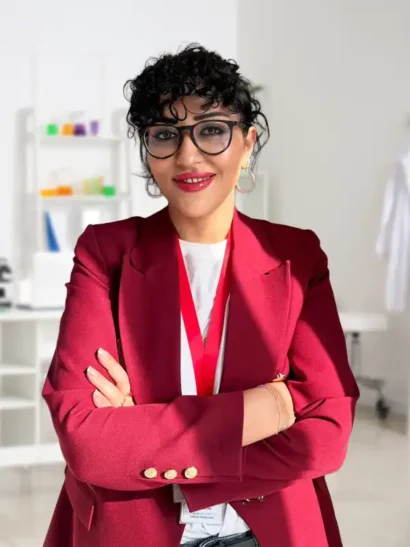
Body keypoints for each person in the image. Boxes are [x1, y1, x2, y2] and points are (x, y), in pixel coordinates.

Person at [42, 44, 359, 547]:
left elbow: (327, 433)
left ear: (247, 142)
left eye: (211, 130)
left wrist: (142, 431)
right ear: (148, 150)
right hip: (135, 532)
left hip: (269, 531)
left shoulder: (297, 256)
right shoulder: (105, 253)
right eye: (165, 135)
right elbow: (86, 441)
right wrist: (267, 409)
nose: (188, 156)